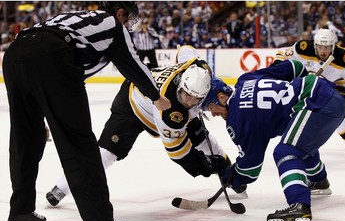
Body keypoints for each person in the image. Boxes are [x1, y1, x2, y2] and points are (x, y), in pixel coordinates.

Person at [2, 1, 171, 221]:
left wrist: (41, 116)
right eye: (130, 20)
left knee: (26, 138)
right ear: (120, 13)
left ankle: (20, 214)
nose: (129, 26)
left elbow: (45, 52)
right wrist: (158, 98)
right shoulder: (113, 24)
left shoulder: (76, 17)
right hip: (53, 54)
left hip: (16, 53)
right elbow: (134, 66)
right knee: (78, 143)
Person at [45, 49, 244, 207]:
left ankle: (232, 175)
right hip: (132, 104)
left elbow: (185, 49)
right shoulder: (172, 112)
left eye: (194, 99)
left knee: (202, 138)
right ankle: (62, 187)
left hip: (159, 98)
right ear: (181, 85)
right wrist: (206, 166)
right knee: (106, 151)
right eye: (186, 95)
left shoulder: (197, 68)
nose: (189, 101)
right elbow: (179, 154)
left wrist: (217, 164)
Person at [201, 59, 345, 221]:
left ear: (221, 97)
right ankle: (319, 180)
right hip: (328, 96)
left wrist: (232, 177)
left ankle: (299, 207)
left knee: (286, 151)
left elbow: (251, 168)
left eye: (210, 107)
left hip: (316, 103)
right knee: (298, 143)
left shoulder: (238, 120)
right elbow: (296, 67)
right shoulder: (246, 79)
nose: (213, 113)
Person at [272, 28, 345, 162]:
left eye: (327, 47)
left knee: (338, 118)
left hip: (335, 88)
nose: (323, 51)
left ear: (333, 46)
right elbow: (283, 53)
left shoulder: (343, 58)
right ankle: (299, 144)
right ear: (315, 45)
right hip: (310, 86)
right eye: (320, 47)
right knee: (301, 114)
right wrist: (279, 66)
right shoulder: (303, 48)